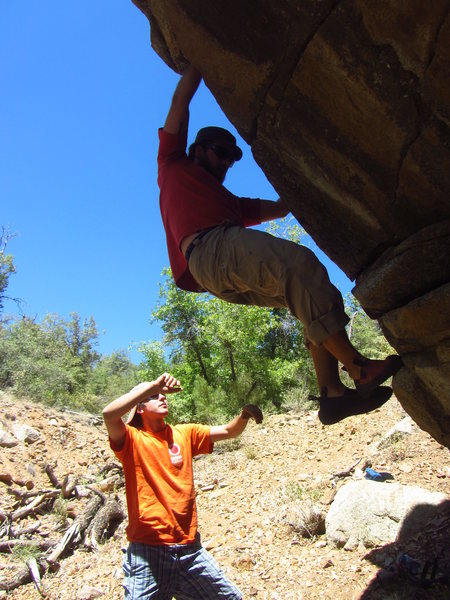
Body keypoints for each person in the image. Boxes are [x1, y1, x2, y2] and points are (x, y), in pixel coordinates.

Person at [157, 65, 402, 425]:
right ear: (198, 150)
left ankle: (332, 395)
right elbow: (181, 102)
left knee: (311, 292)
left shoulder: (229, 204)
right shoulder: (173, 164)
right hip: (209, 250)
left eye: (231, 158)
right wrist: (200, 60)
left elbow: (279, 208)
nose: (227, 161)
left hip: (220, 271)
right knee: (298, 264)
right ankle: (359, 367)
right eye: (221, 153)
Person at [102, 372, 263, 599]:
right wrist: (152, 386)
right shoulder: (131, 440)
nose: (162, 398)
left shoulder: (183, 434)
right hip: (148, 552)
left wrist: (244, 416)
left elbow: (229, 431)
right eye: (154, 397)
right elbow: (108, 415)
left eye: (161, 395)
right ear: (140, 408)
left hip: (190, 550)